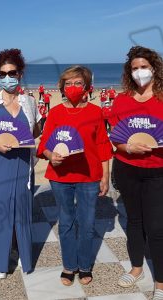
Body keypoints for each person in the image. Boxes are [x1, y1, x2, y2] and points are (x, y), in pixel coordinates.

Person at [37, 66, 112, 286]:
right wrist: (51, 154)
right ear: (62, 87)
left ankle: (85, 265)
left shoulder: (95, 112)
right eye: (68, 83)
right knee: (66, 222)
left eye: (78, 83)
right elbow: (43, 143)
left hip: (89, 176)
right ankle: (69, 265)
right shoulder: (56, 112)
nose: (72, 87)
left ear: (87, 87)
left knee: (87, 223)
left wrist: (105, 176)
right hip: (60, 176)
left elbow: (103, 145)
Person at [0, 48, 41, 279]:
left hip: (22, 164)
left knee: (21, 211)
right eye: (2, 74)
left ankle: (22, 252)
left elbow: (35, 131)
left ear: (20, 74)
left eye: (11, 72)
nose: (7, 78)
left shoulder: (30, 102)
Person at [109, 46, 163, 300]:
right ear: (129, 73)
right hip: (127, 168)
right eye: (134, 68)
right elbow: (116, 137)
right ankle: (137, 268)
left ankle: (161, 283)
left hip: (157, 171)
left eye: (143, 67)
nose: (139, 72)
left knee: (156, 226)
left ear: (154, 69)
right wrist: (126, 146)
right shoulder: (122, 100)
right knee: (134, 221)